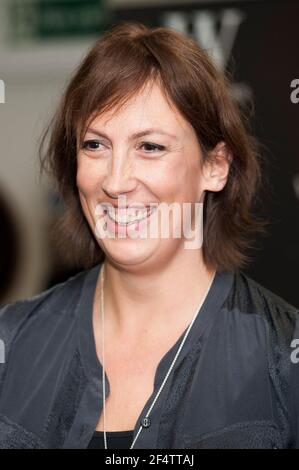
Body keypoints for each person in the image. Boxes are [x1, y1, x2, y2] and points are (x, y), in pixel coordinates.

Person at [0, 21, 298, 450]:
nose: (116, 182)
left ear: (215, 166)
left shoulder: (283, 357)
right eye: (95, 145)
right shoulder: (13, 343)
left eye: (150, 147)